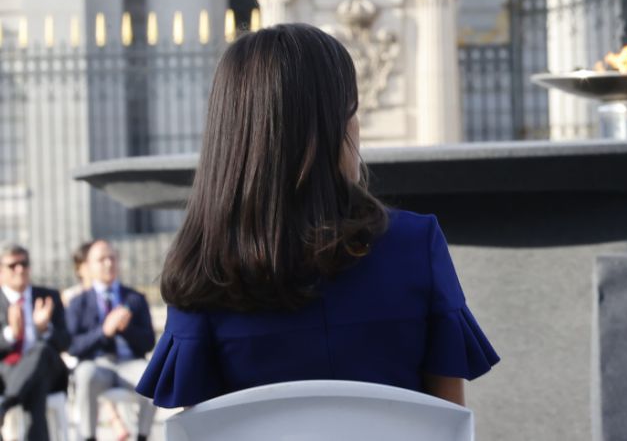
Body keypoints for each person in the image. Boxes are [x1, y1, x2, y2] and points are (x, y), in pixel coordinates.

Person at [136, 23, 498, 410]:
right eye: (351, 111)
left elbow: (199, 430)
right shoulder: (415, 245)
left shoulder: (202, 268)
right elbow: (449, 424)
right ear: (330, 127)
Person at [67, 240, 156, 441]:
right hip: (98, 364)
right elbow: (73, 346)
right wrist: (104, 331)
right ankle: (88, 437)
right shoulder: (78, 302)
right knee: (84, 375)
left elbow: (149, 342)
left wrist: (126, 329)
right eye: (101, 259)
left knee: (152, 376)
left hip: (129, 363)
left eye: (112, 258)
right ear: (88, 266)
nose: (108, 263)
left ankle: (142, 436)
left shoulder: (135, 298)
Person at [0, 243, 70, 441]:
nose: (20, 269)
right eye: (13, 265)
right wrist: (11, 334)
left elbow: (66, 342)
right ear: (1, 271)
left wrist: (45, 329)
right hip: (7, 371)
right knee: (35, 386)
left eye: (24, 263)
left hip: (50, 369)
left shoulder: (48, 297)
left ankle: (6, 405)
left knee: (40, 350)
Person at [62, 242, 130, 441]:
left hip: (113, 358)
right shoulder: (76, 297)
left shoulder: (112, 293)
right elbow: (72, 341)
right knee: (88, 374)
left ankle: (118, 419)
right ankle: (113, 418)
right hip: (83, 357)